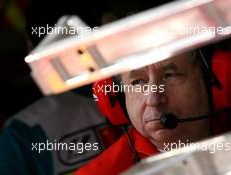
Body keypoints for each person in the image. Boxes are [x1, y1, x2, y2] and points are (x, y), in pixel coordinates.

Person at [76, 50, 214, 175]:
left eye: (170, 75)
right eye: (138, 82)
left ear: (209, 80)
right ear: (118, 97)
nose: (154, 99)